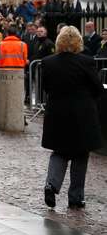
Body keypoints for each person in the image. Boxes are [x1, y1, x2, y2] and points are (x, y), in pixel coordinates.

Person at [41, 26, 103, 209]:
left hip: (57, 114)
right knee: (80, 154)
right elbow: (97, 88)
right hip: (82, 114)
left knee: (59, 152)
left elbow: (46, 87)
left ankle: (51, 184)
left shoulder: (48, 62)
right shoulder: (87, 61)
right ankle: (76, 197)